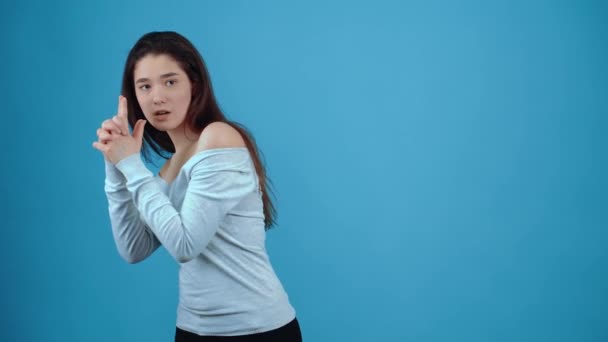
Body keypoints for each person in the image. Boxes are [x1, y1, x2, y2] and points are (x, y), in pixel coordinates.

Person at [92, 31, 302, 341]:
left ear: (196, 84)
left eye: (170, 81)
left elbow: (185, 246)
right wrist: (115, 167)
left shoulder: (219, 137)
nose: (157, 97)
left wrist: (131, 166)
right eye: (145, 86)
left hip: (258, 329)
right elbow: (133, 249)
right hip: (192, 329)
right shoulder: (170, 168)